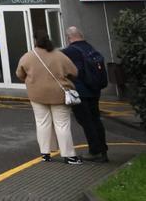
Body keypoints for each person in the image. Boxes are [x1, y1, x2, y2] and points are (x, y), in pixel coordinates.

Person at [16, 33, 82, 165]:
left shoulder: (28, 56)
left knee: (42, 123)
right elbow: (74, 72)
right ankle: (69, 156)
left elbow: (19, 74)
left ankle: (45, 153)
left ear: (35, 42)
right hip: (59, 94)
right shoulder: (59, 55)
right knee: (62, 124)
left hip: (37, 95)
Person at [63, 26, 109, 162]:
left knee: (86, 121)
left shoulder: (69, 51)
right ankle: (103, 150)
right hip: (94, 90)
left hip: (79, 92)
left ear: (69, 38)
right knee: (95, 119)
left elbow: (69, 71)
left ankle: (95, 151)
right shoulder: (90, 48)